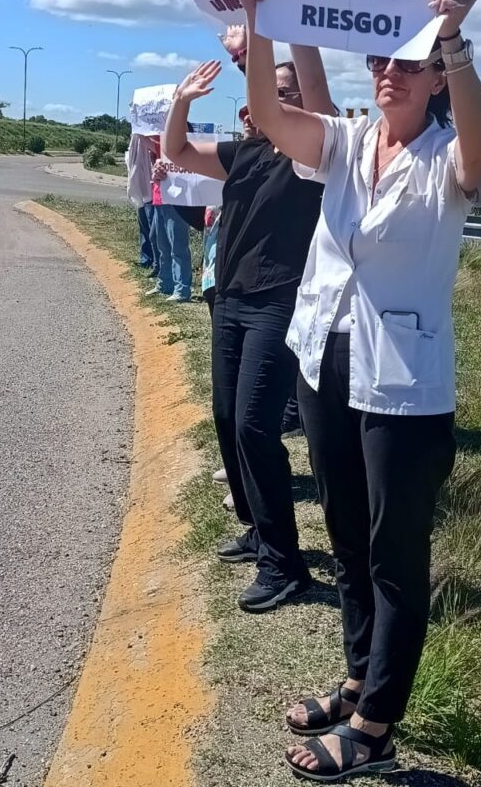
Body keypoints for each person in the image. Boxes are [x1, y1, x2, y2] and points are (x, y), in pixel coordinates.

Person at [236, 0, 481, 778]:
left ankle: (378, 723)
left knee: (394, 553)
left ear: (432, 78)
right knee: (347, 537)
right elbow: (274, 122)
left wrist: (452, 34)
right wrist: (264, 20)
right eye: (381, 60)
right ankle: (358, 676)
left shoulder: (450, 161)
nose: (388, 73)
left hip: (405, 384)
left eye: (407, 64)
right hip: (326, 360)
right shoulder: (346, 143)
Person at [163, 43, 337, 613]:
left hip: (277, 304)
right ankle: (261, 530)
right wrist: (181, 102)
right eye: (270, 94)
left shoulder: (309, 158)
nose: (275, 103)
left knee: (254, 429)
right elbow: (176, 150)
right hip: (232, 301)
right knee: (225, 419)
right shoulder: (242, 155)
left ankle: (285, 567)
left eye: (288, 96)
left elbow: (315, 99)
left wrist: (279, 32)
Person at [146, 143, 193, 303]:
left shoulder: (178, 139)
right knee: (161, 244)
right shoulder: (157, 139)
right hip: (159, 198)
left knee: (178, 246)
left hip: (175, 199)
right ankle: (165, 283)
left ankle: (182, 290)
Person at [127, 133, 158, 274]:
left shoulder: (156, 133)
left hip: (153, 185)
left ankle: (158, 262)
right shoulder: (137, 133)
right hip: (141, 183)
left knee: (154, 228)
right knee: (144, 223)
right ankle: (146, 258)